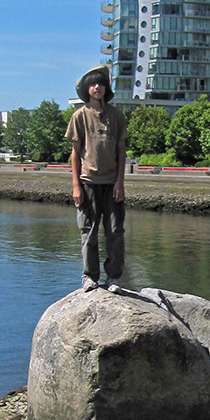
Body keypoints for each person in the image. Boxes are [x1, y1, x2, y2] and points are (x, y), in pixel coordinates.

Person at [65, 65, 128, 294]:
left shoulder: (116, 116)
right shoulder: (79, 117)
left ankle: (114, 277)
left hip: (112, 183)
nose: (96, 87)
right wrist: (76, 186)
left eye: (100, 83)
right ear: (85, 89)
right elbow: (75, 152)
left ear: (106, 87)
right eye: (92, 84)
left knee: (115, 231)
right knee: (88, 231)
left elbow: (122, 151)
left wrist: (120, 182)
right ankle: (90, 276)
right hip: (88, 182)